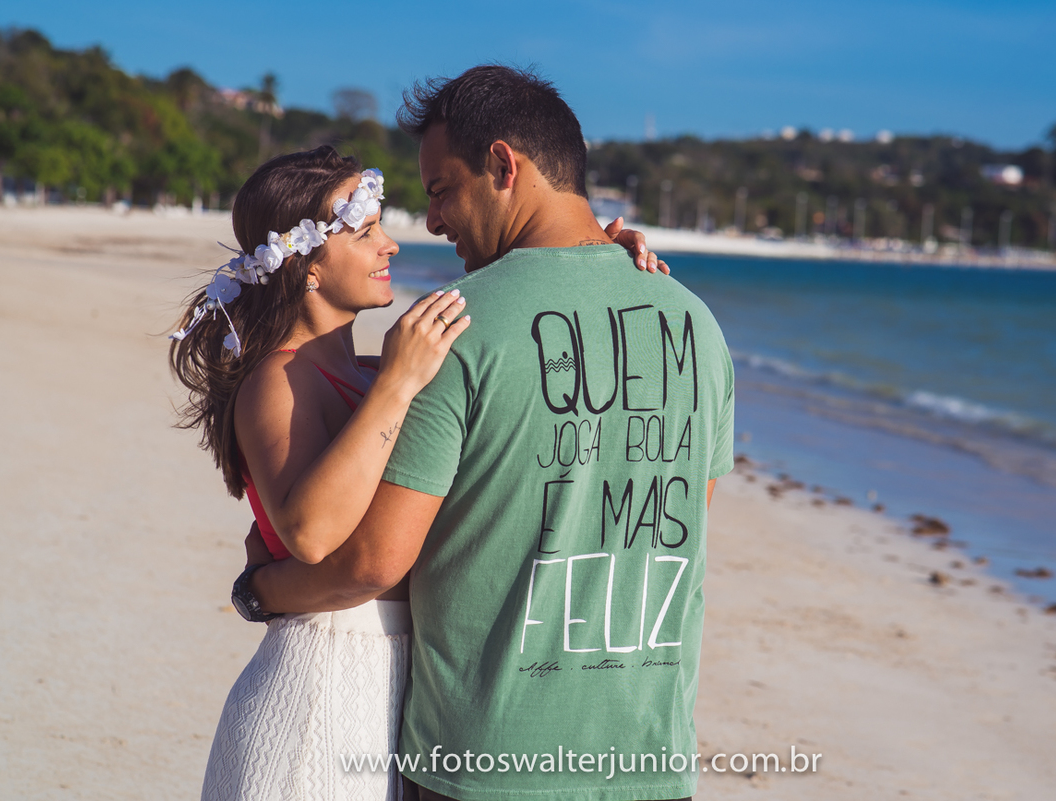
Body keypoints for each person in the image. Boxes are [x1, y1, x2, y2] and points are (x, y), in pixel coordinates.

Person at [242, 66, 735, 801]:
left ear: (504, 165)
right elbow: (687, 508)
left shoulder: (454, 329)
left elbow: (375, 558)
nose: (431, 223)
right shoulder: (697, 323)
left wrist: (263, 590)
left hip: (489, 762)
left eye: (440, 190)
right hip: (648, 759)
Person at [173, 147, 666, 801]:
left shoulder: (371, 372)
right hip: (317, 693)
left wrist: (596, 254)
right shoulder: (280, 379)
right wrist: (400, 382)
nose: (391, 246)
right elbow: (312, 533)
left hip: (395, 692)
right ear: (306, 265)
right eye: (366, 231)